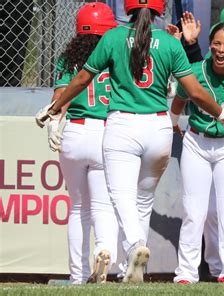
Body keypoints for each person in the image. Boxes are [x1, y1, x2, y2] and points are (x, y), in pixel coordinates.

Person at [35, 0, 224, 284]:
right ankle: (130, 268)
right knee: (143, 200)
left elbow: (83, 78)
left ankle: (134, 245)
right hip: (158, 125)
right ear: (160, 10)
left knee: (120, 196)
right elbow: (194, 91)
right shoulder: (169, 43)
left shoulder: (113, 37)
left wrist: (54, 108)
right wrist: (222, 113)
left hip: (122, 123)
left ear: (127, 9)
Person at [36, 2, 119, 285]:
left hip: (75, 131)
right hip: (108, 132)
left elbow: (59, 99)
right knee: (103, 205)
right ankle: (104, 250)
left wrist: (54, 119)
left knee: (77, 207)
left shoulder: (69, 58)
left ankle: (78, 276)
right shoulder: (116, 54)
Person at [171, 22, 224, 284]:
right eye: (216, 43)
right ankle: (186, 273)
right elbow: (179, 101)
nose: (220, 50)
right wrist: (173, 123)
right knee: (193, 210)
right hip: (197, 142)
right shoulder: (195, 71)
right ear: (210, 45)